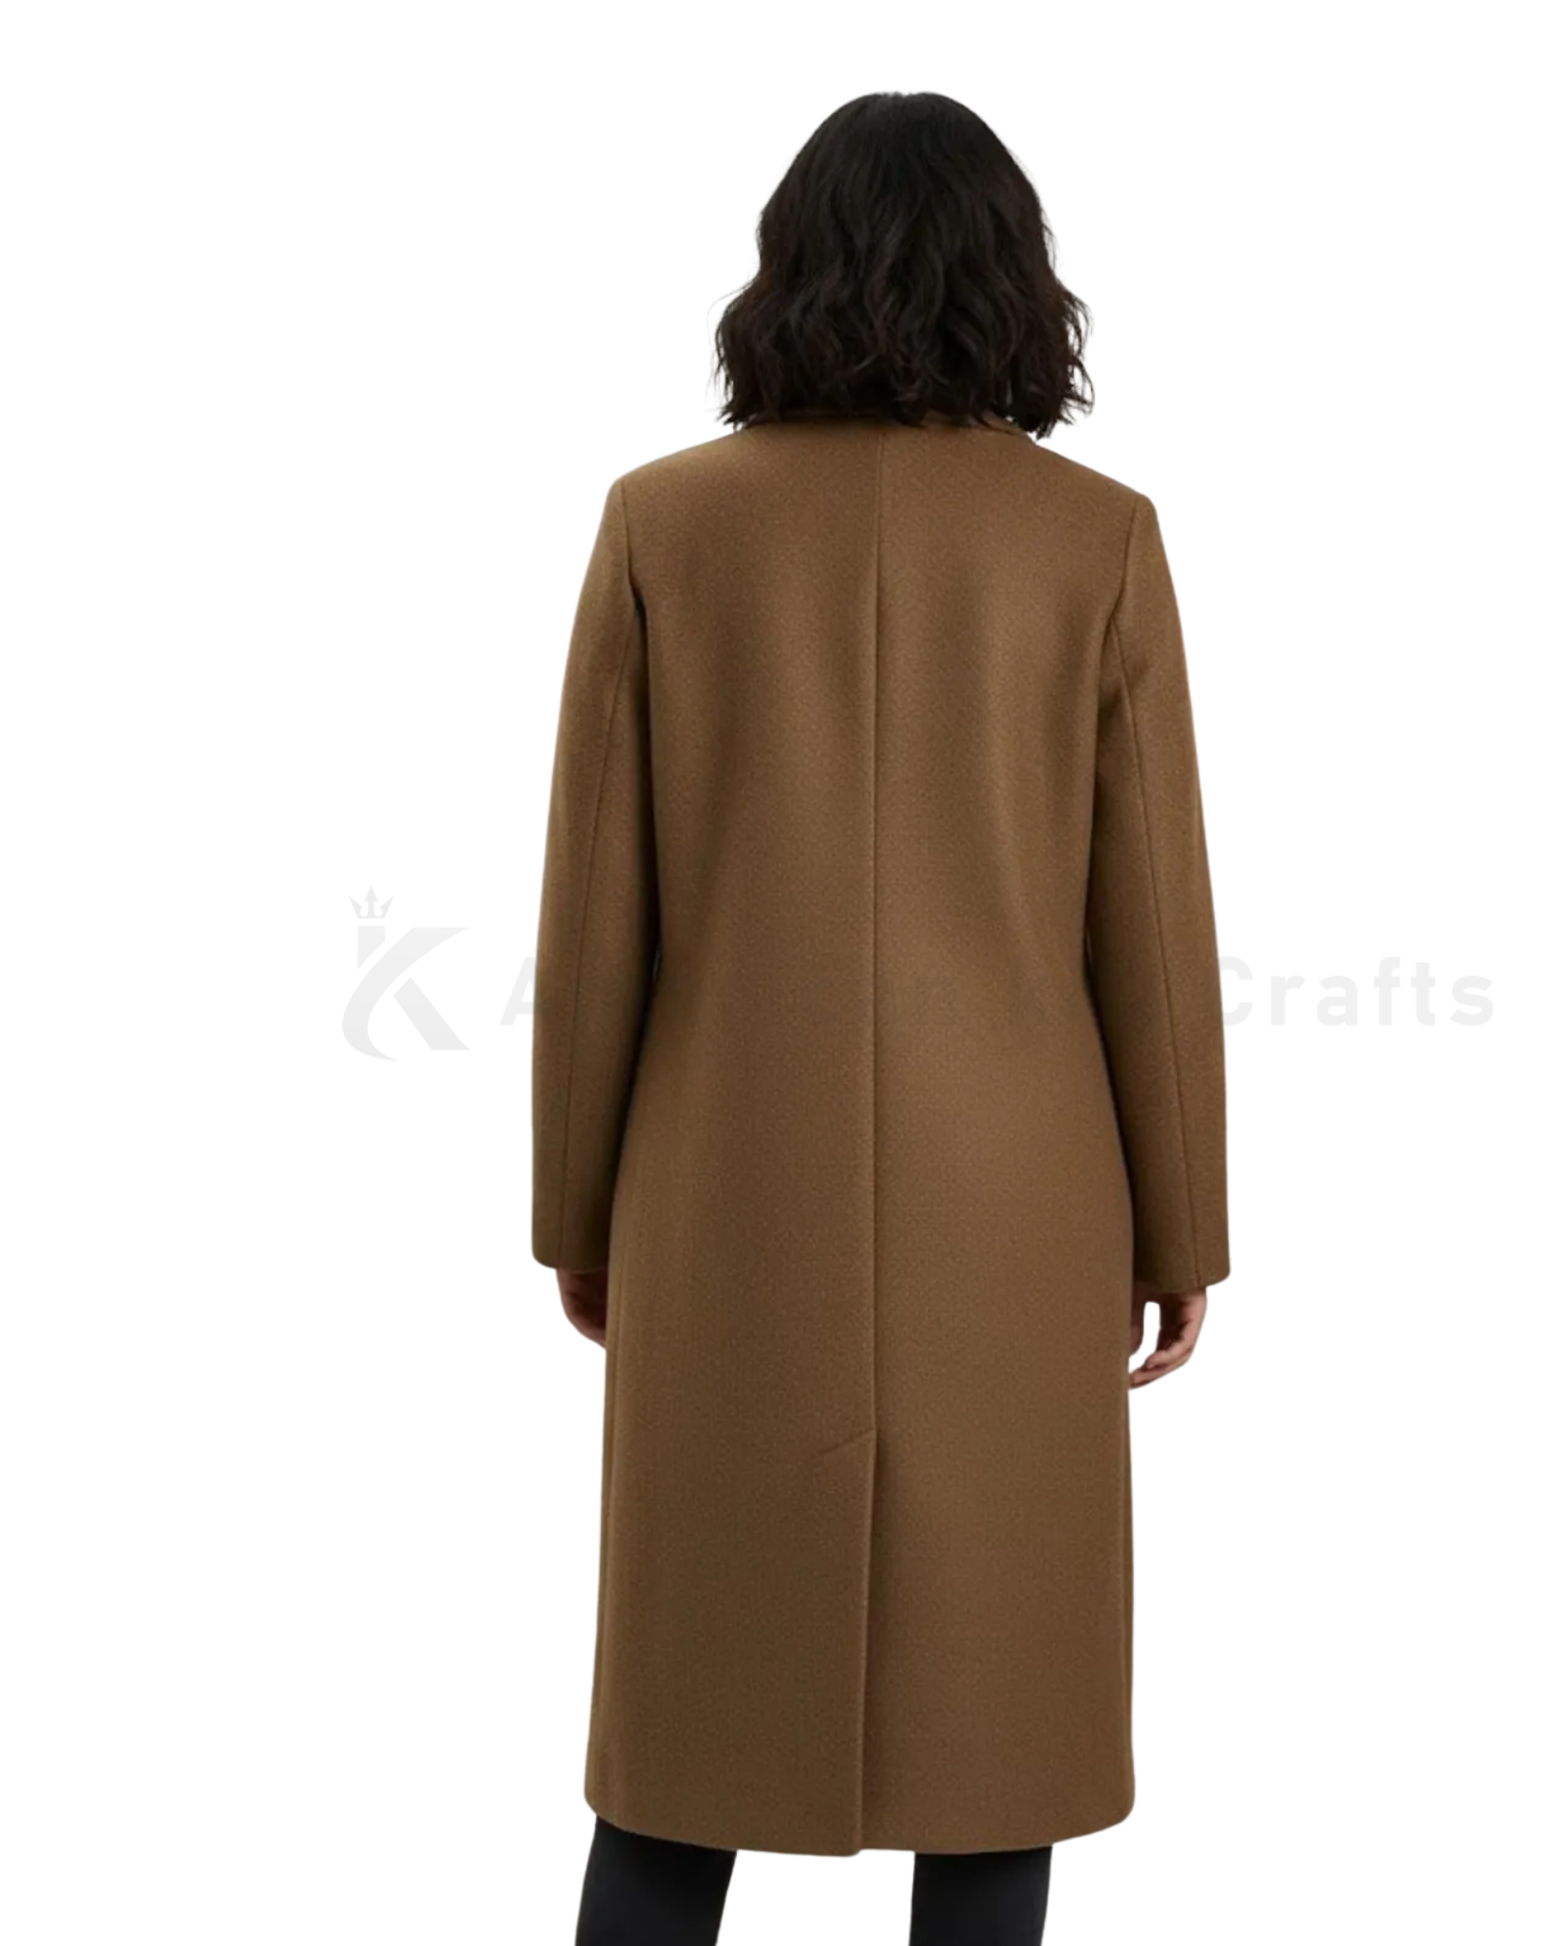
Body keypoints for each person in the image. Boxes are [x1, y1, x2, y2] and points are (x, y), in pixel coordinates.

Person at [533, 91, 1229, 1946]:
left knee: (680, 1741)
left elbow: (596, 911)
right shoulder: (1096, 541)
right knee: (995, 1740)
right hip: (1018, 1207)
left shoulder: (663, 525)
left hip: (721, 1191)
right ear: (1015, 283)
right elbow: (1151, 931)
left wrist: (577, 1210)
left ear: (787, 273)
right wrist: (1181, 1230)